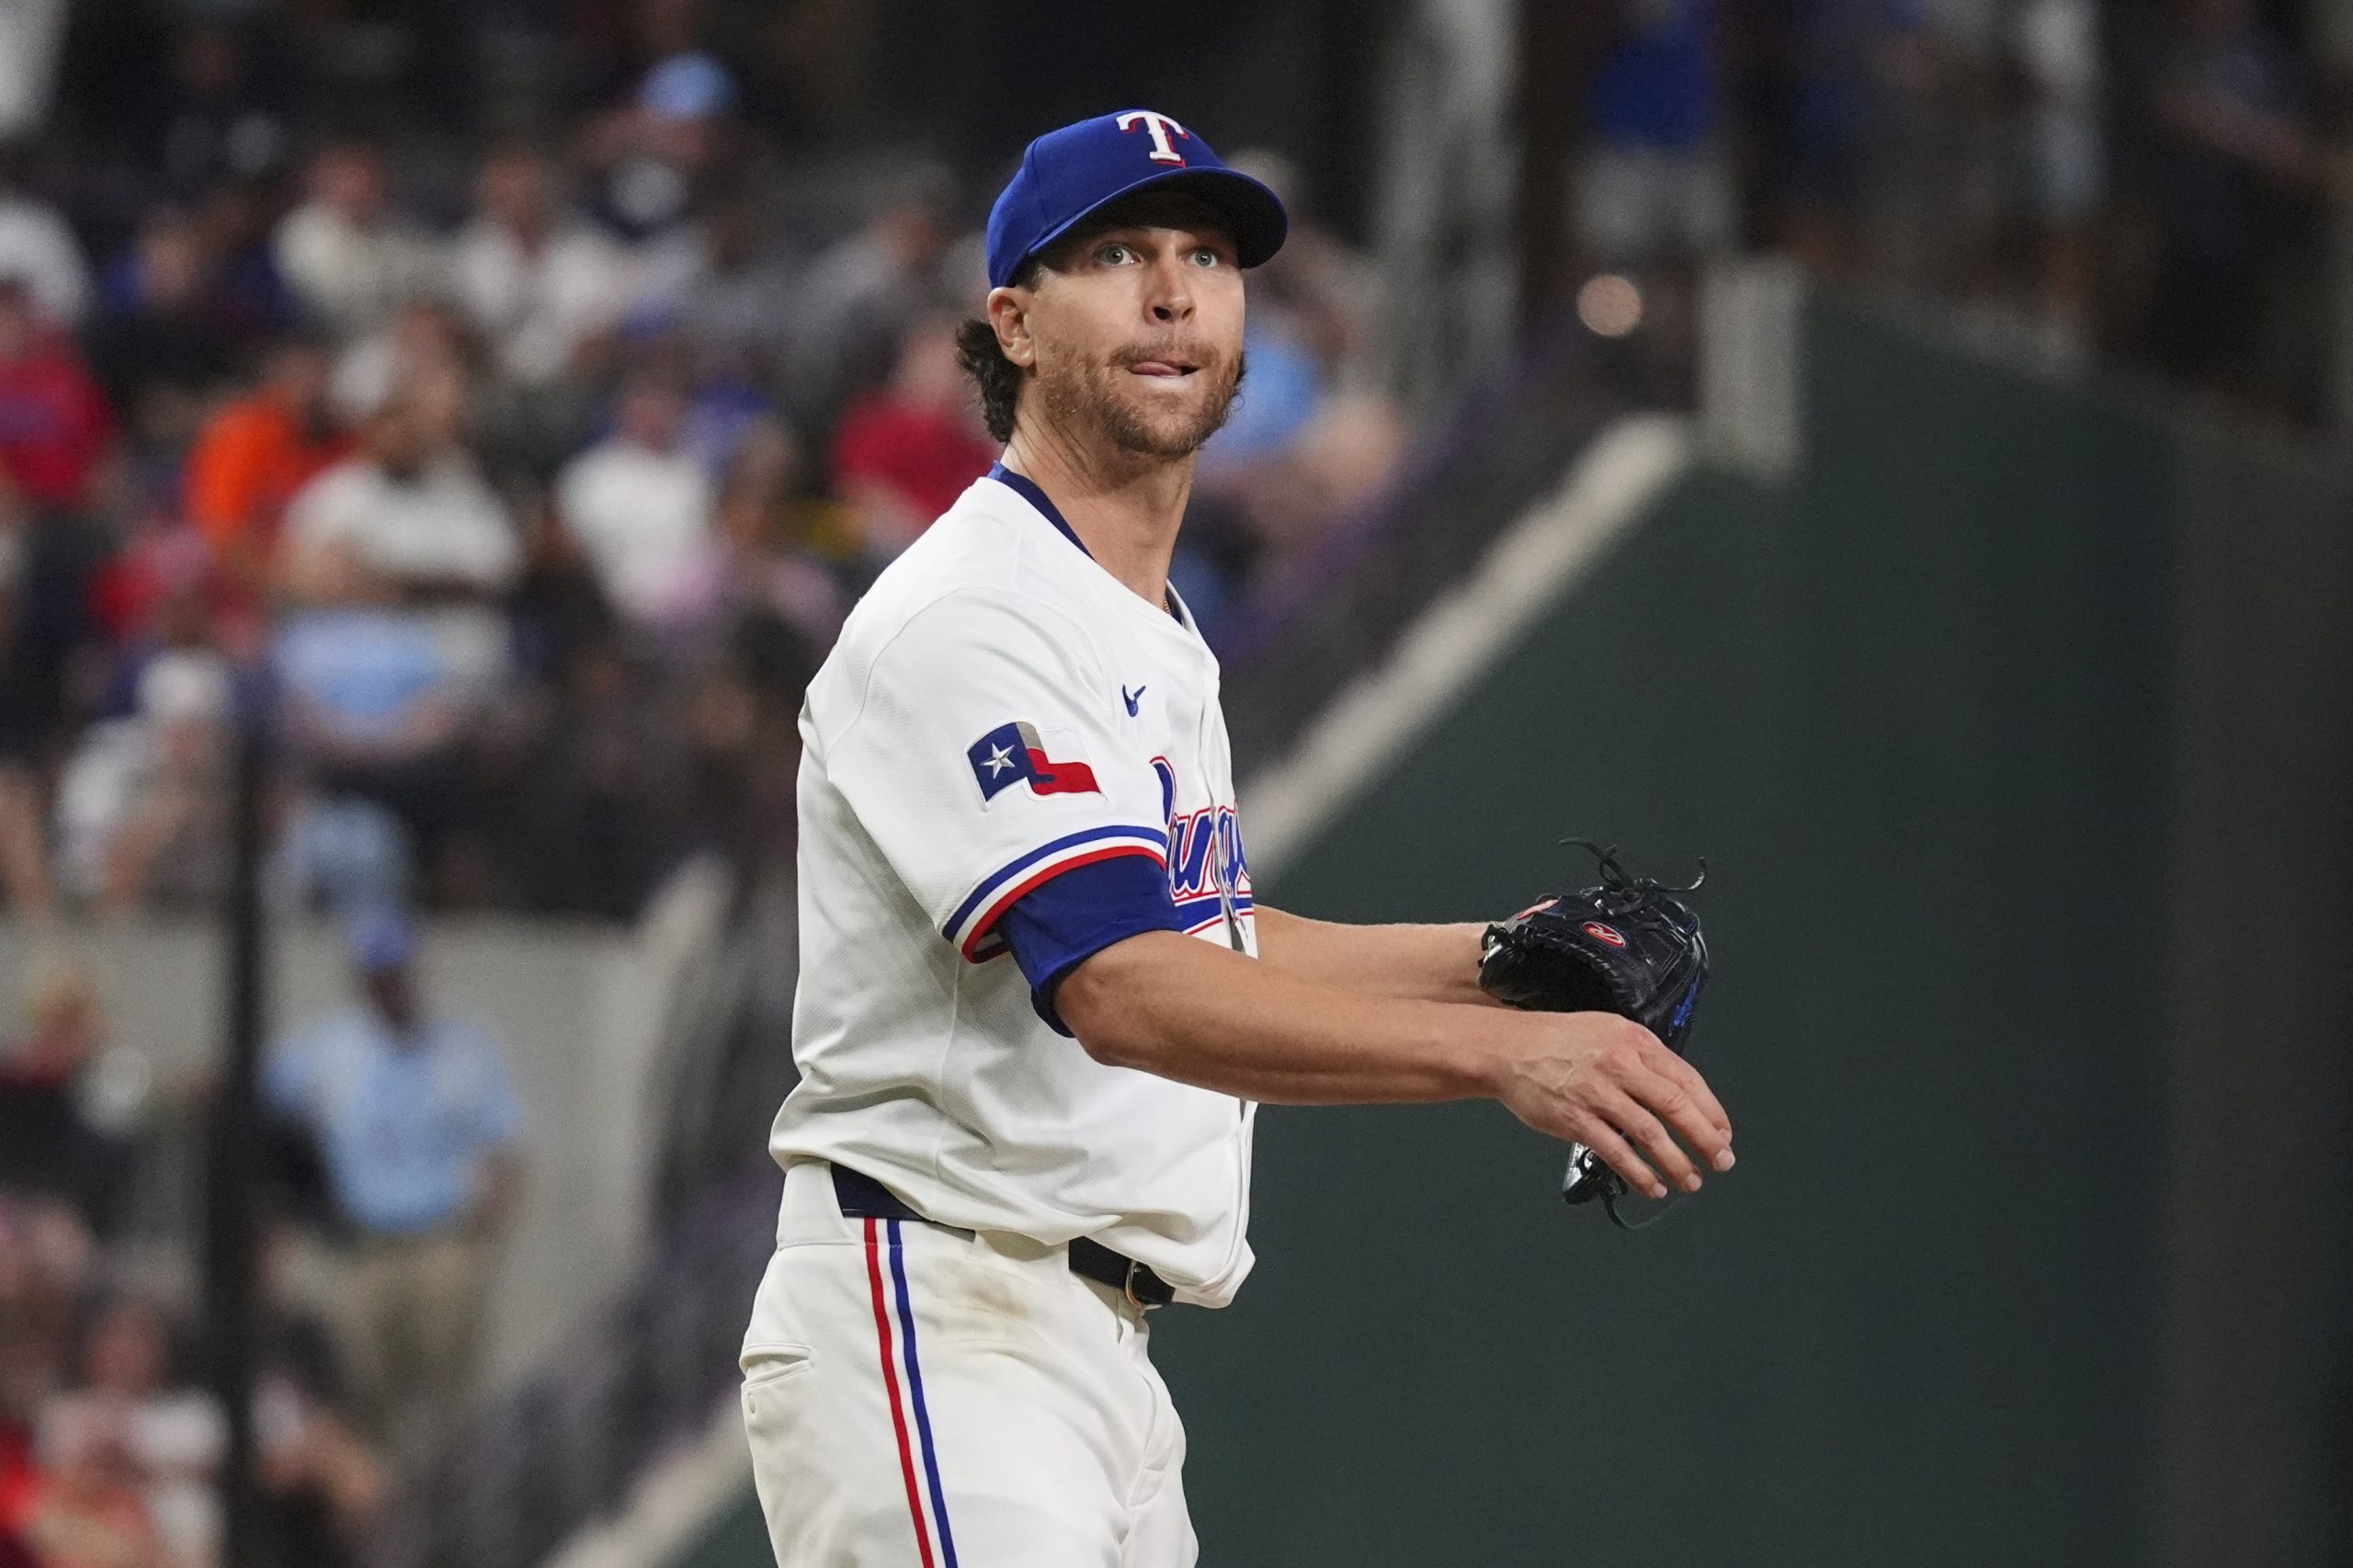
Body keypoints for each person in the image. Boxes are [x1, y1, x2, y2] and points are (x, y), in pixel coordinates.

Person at [737, 110, 1735, 1567]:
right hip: (943, 1319)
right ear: (1010, 321)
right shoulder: (974, 614)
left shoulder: (1141, 618)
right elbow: (1127, 987)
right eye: (1118, 254)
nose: (1174, 290)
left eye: (1208, 253)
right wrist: (1509, 1055)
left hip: (1094, 1357)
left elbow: (1205, 936)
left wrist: (1502, 963)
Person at [263, 907, 521, 1460]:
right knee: (359, 1388)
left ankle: (448, 1508)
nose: (388, 984)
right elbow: (265, 1109)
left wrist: (487, 1241)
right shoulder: (328, 1049)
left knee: (450, 1395)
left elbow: (503, 1146)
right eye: (376, 972)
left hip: (442, 1239)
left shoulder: (460, 1048)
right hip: (359, 1247)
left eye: (396, 970)